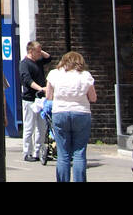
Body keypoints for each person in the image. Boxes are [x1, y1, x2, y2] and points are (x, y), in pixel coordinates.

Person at [45, 51, 96, 182]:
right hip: (81, 113)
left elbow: (48, 96)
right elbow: (93, 98)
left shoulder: (54, 74)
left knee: (63, 154)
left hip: (60, 113)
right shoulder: (85, 75)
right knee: (79, 153)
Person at [19, 41, 51, 164]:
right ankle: (27, 152)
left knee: (41, 127)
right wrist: (40, 88)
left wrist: (40, 51)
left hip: (40, 99)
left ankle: (37, 152)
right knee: (29, 127)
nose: (40, 54)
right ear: (31, 51)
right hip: (29, 99)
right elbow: (27, 80)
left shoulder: (38, 61)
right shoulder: (24, 64)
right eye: (37, 51)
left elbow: (49, 58)